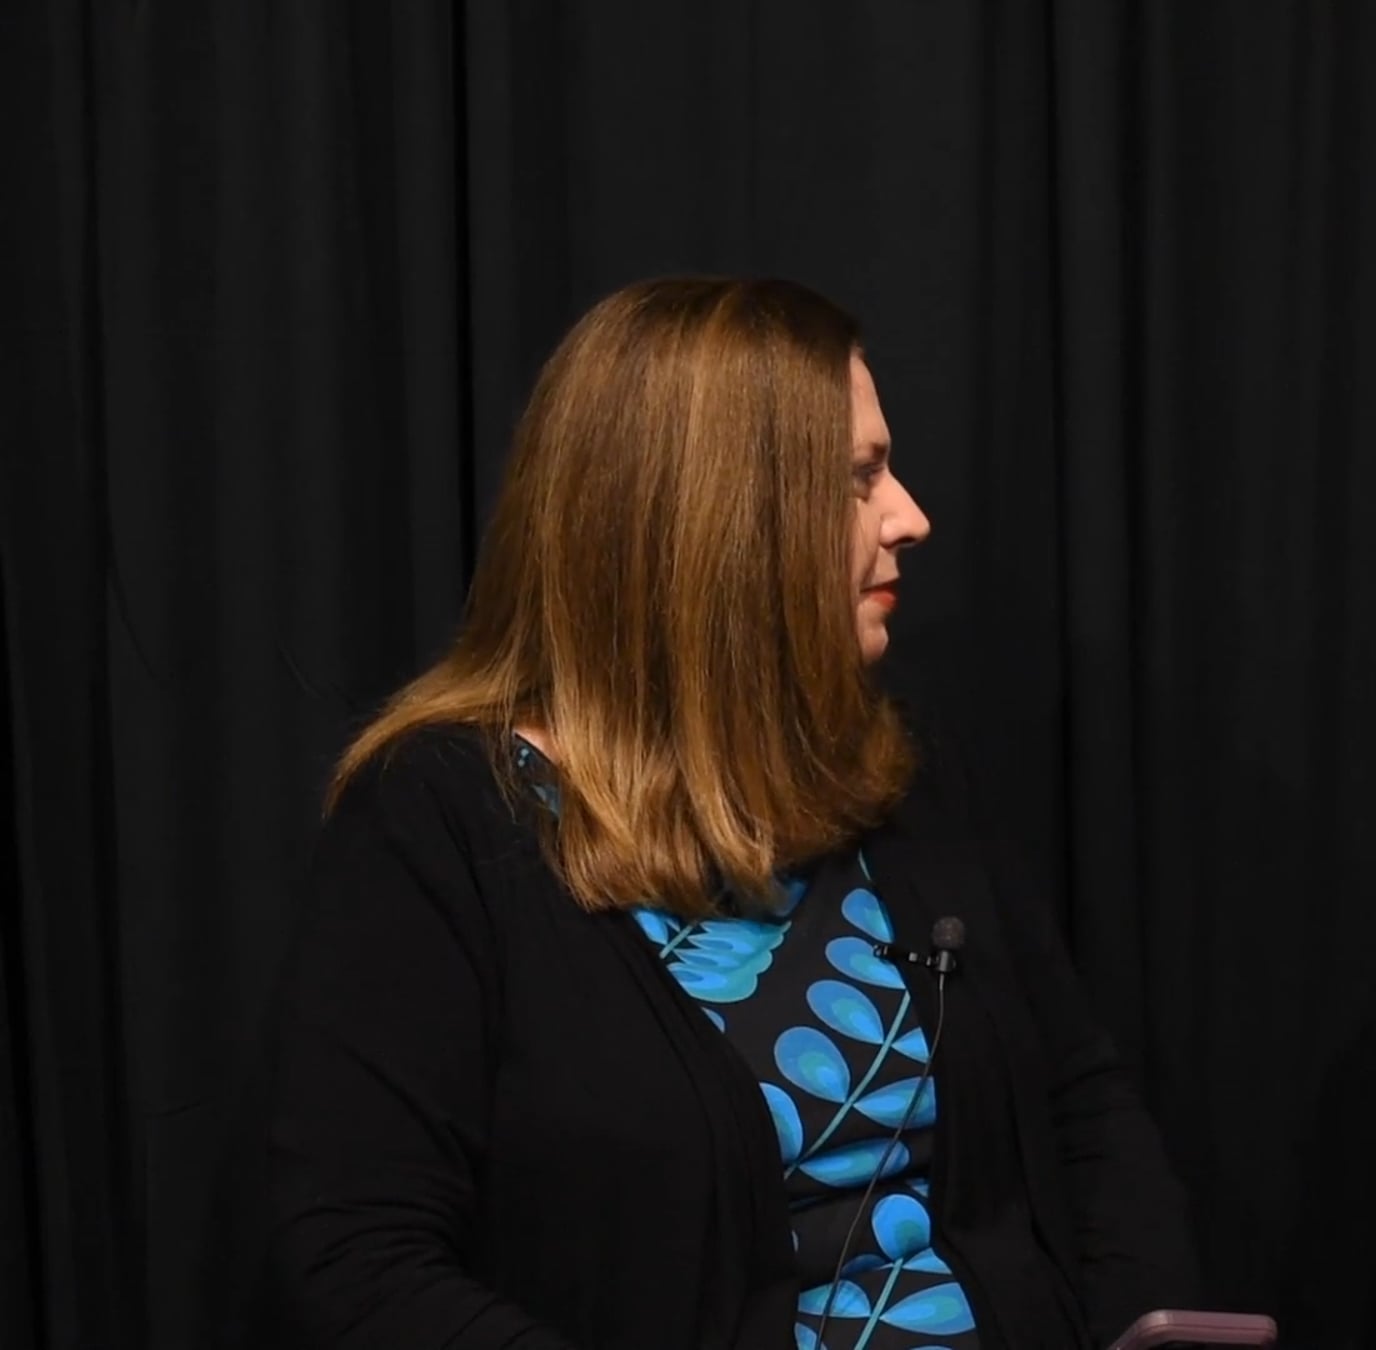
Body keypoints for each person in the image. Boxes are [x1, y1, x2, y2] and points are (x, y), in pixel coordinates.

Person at [253, 277, 1200, 1349]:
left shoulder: (899, 772)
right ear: (723, 524)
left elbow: (1083, 1110)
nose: (910, 517)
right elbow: (357, 1261)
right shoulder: (443, 821)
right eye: (860, 479)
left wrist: (1147, 1329)